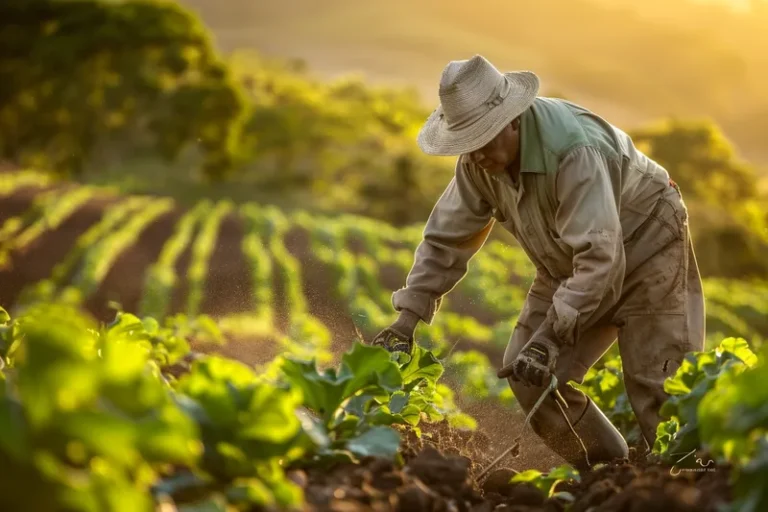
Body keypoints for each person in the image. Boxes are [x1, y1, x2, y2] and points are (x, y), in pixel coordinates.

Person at [371, 54, 705, 470]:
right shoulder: (480, 163)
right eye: (467, 144)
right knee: (530, 379)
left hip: (649, 245)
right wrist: (407, 319)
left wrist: (551, 335)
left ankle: (689, 481)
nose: (476, 155)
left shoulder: (573, 152)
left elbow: (600, 257)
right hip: (568, 265)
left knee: (659, 384)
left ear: (513, 120)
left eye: (483, 140)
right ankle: (610, 474)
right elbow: (445, 239)